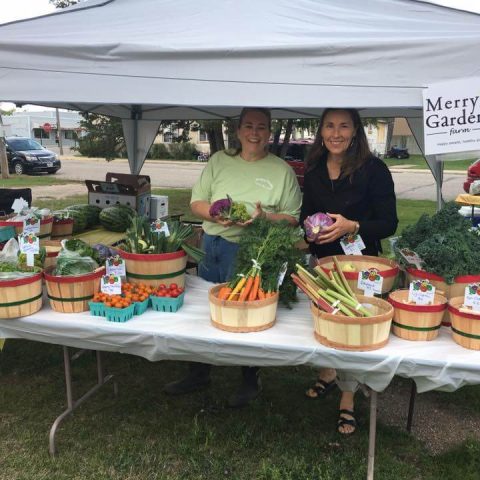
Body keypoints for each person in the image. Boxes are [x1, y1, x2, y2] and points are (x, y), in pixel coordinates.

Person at [164, 107, 302, 407]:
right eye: (249, 126)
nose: (255, 132)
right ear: (238, 131)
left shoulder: (281, 170)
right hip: (212, 245)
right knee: (205, 308)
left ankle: (250, 377)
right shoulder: (218, 161)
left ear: (269, 132)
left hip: (253, 251)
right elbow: (197, 202)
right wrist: (216, 213)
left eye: (262, 127)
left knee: (247, 313)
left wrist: (265, 217)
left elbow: (292, 218)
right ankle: (198, 371)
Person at [300, 108, 398, 435]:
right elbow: (307, 214)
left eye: (344, 125)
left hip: (362, 264)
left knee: (352, 325)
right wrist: (309, 232)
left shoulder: (374, 169)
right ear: (321, 131)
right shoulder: (313, 169)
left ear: (355, 130)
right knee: (328, 319)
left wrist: (351, 226)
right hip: (324, 262)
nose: (336, 133)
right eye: (330, 125)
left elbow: (388, 223)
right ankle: (328, 373)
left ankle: (347, 399)